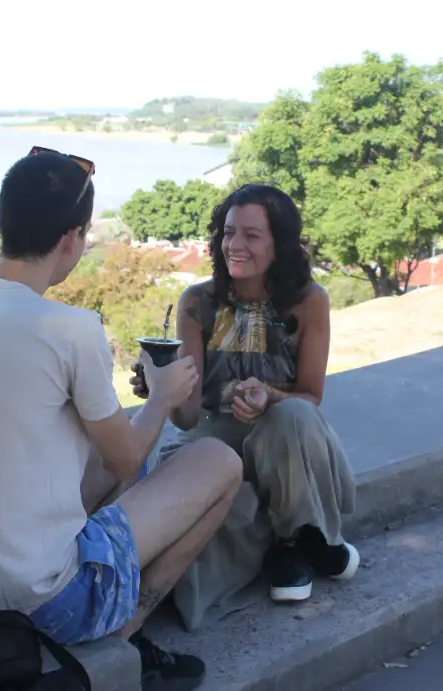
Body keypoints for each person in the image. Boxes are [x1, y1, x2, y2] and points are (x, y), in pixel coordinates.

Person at [0, 148, 243, 691]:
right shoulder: (69, 328)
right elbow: (129, 456)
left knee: (103, 459)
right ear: (70, 239)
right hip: (46, 604)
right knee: (219, 461)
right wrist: (161, 397)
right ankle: (125, 639)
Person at [128, 183, 358, 629]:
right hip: (212, 436)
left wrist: (270, 395)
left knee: (292, 414)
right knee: (191, 537)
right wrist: (164, 390)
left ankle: (292, 545)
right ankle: (296, 541)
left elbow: (310, 395)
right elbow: (188, 417)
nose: (234, 245)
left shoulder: (310, 301)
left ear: (279, 243)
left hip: (286, 437)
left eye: (251, 235)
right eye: (229, 232)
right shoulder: (197, 302)